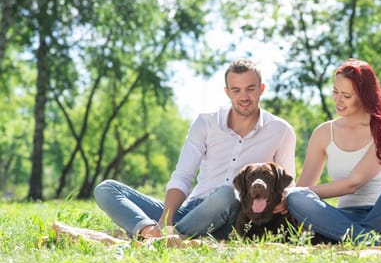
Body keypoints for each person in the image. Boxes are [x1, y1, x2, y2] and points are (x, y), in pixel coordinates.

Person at [94, 59, 296, 240]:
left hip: (235, 212)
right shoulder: (206, 122)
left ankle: (170, 237)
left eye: (250, 89)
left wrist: (282, 200)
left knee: (227, 193)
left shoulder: (281, 130)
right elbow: (183, 176)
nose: (244, 96)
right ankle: (151, 231)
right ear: (227, 92)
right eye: (236, 90)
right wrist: (166, 218)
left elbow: (288, 185)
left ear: (261, 89)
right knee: (106, 188)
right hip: (191, 211)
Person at [284, 58, 381, 244]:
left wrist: (302, 194)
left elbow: (353, 183)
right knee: (296, 197)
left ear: (364, 96)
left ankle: (356, 237)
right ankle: (371, 240)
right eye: (335, 92)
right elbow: (303, 189)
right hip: (344, 219)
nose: (338, 100)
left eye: (346, 95)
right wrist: (291, 198)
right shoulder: (323, 133)